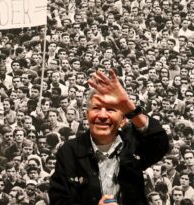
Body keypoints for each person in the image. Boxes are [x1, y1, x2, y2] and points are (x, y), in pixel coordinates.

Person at [49, 69, 169, 205]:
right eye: (96, 108)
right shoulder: (69, 151)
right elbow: (58, 200)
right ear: (87, 115)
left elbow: (160, 144)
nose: (102, 115)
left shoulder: (133, 145)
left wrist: (130, 108)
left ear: (123, 119)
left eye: (111, 109)